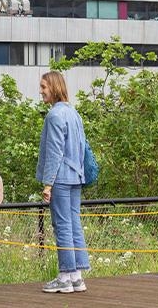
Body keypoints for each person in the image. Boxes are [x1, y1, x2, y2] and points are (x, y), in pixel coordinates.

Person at [36, 71, 91, 294]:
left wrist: (47, 184)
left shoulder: (54, 115)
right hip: (76, 176)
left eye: (44, 87)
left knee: (62, 225)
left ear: (54, 87)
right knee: (74, 224)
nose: (41, 91)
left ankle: (64, 277)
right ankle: (77, 277)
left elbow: (54, 152)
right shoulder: (74, 113)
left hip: (60, 177)